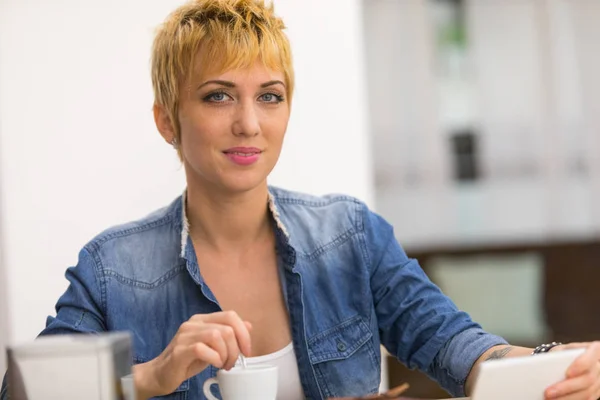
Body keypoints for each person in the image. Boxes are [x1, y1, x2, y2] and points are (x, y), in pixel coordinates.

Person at [2, 0, 600, 399]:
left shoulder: (350, 235)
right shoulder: (112, 268)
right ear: (167, 121)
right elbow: (27, 391)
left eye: (269, 96)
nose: (248, 124)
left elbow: (454, 344)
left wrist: (555, 364)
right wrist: (152, 377)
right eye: (217, 97)